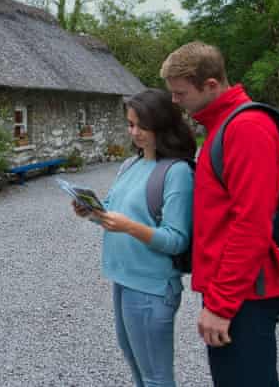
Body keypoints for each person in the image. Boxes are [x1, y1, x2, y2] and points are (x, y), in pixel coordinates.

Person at [160, 41, 279, 387]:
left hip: (245, 296)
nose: (175, 102)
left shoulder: (246, 128)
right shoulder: (222, 125)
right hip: (238, 292)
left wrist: (222, 306)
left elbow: (251, 225)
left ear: (211, 85)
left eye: (180, 94)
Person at [73, 89, 195, 387]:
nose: (135, 133)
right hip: (124, 280)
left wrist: (129, 227)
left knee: (156, 378)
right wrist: (89, 212)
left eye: (142, 126)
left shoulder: (177, 172)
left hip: (152, 287)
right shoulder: (130, 165)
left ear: (163, 125)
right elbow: (110, 211)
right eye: (130, 125)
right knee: (138, 369)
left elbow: (177, 239)